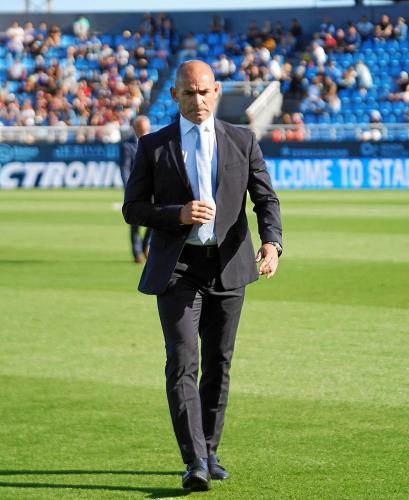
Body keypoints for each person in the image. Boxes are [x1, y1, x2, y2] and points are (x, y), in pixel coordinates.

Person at [123, 60, 282, 491]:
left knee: (218, 363)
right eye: (189, 93)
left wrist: (272, 243)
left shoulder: (242, 140)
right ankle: (194, 461)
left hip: (228, 266)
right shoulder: (153, 146)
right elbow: (132, 209)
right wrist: (177, 214)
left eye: (205, 91)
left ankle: (210, 451)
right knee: (182, 362)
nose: (198, 100)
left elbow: (266, 200)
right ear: (175, 95)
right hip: (178, 269)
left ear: (217, 92)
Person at [121, 115, 152, 262]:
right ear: (136, 129)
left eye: (147, 129)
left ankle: (146, 246)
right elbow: (125, 168)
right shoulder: (127, 145)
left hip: (152, 189)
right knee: (135, 223)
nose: (145, 132)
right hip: (136, 190)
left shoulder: (154, 141)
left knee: (154, 220)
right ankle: (137, 253)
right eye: (142, 129)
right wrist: (129, 188)